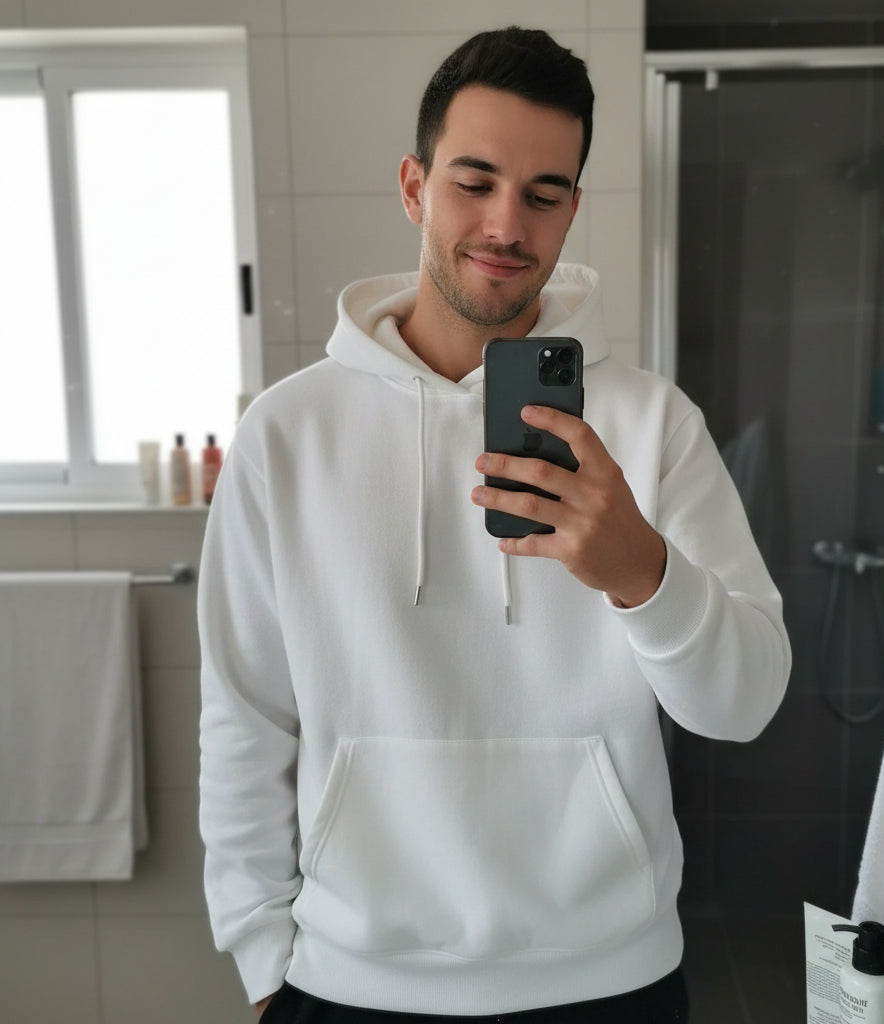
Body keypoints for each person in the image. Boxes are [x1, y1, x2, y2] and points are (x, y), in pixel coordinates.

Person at [198, 26, 790, 1024]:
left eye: (543, 195)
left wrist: (642, 573)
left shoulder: (652, 424)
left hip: (610, 981)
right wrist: (262, 957)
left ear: (572, 211)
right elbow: (243, 714)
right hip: (348, 983)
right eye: (474, 182)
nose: (506, 224)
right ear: (414, 186)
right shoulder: (286, 434)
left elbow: (744, 704)